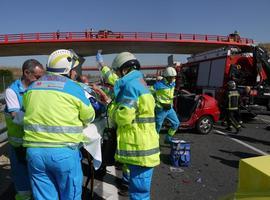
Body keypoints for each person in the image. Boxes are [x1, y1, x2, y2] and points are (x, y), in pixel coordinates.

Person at [22, 49, 95, 200]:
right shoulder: (74, 87)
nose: (75, 73)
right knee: (70, 195)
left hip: (34, 153)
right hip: (63, 152)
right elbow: (88, 116)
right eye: (74, 69)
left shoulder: (32, 88)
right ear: (68, 70)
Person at [103, 52, 160, 199]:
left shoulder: (130, 86)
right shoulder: (141, 83)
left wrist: (113, 108)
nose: (118, 75)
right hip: (144, 146)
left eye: (117, 72)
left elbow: (123, 118)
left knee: (139, 194)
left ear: (123, 69)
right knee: (140, 192)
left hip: (140, 149)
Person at [4, 59, 44, 200]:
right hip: (19, 143)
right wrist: (42, 117)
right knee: (22, 178)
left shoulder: (38, 88)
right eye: (38, 77)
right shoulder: (12, 91)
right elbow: (17, 117)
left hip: (34, 142)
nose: (40, 80)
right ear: (27, 73)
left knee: (37, 176)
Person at [151, 66, 180, 143]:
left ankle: (168, 138)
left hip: (170, 109)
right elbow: (149, 95)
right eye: (171, 77)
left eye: (174, 77)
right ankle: (154, 143)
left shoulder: (173, 83)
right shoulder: (158, 85)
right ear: (166, 77)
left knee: (176, 123)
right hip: (161, 109)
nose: (173, 79)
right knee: (157, 127)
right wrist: (159, 103)